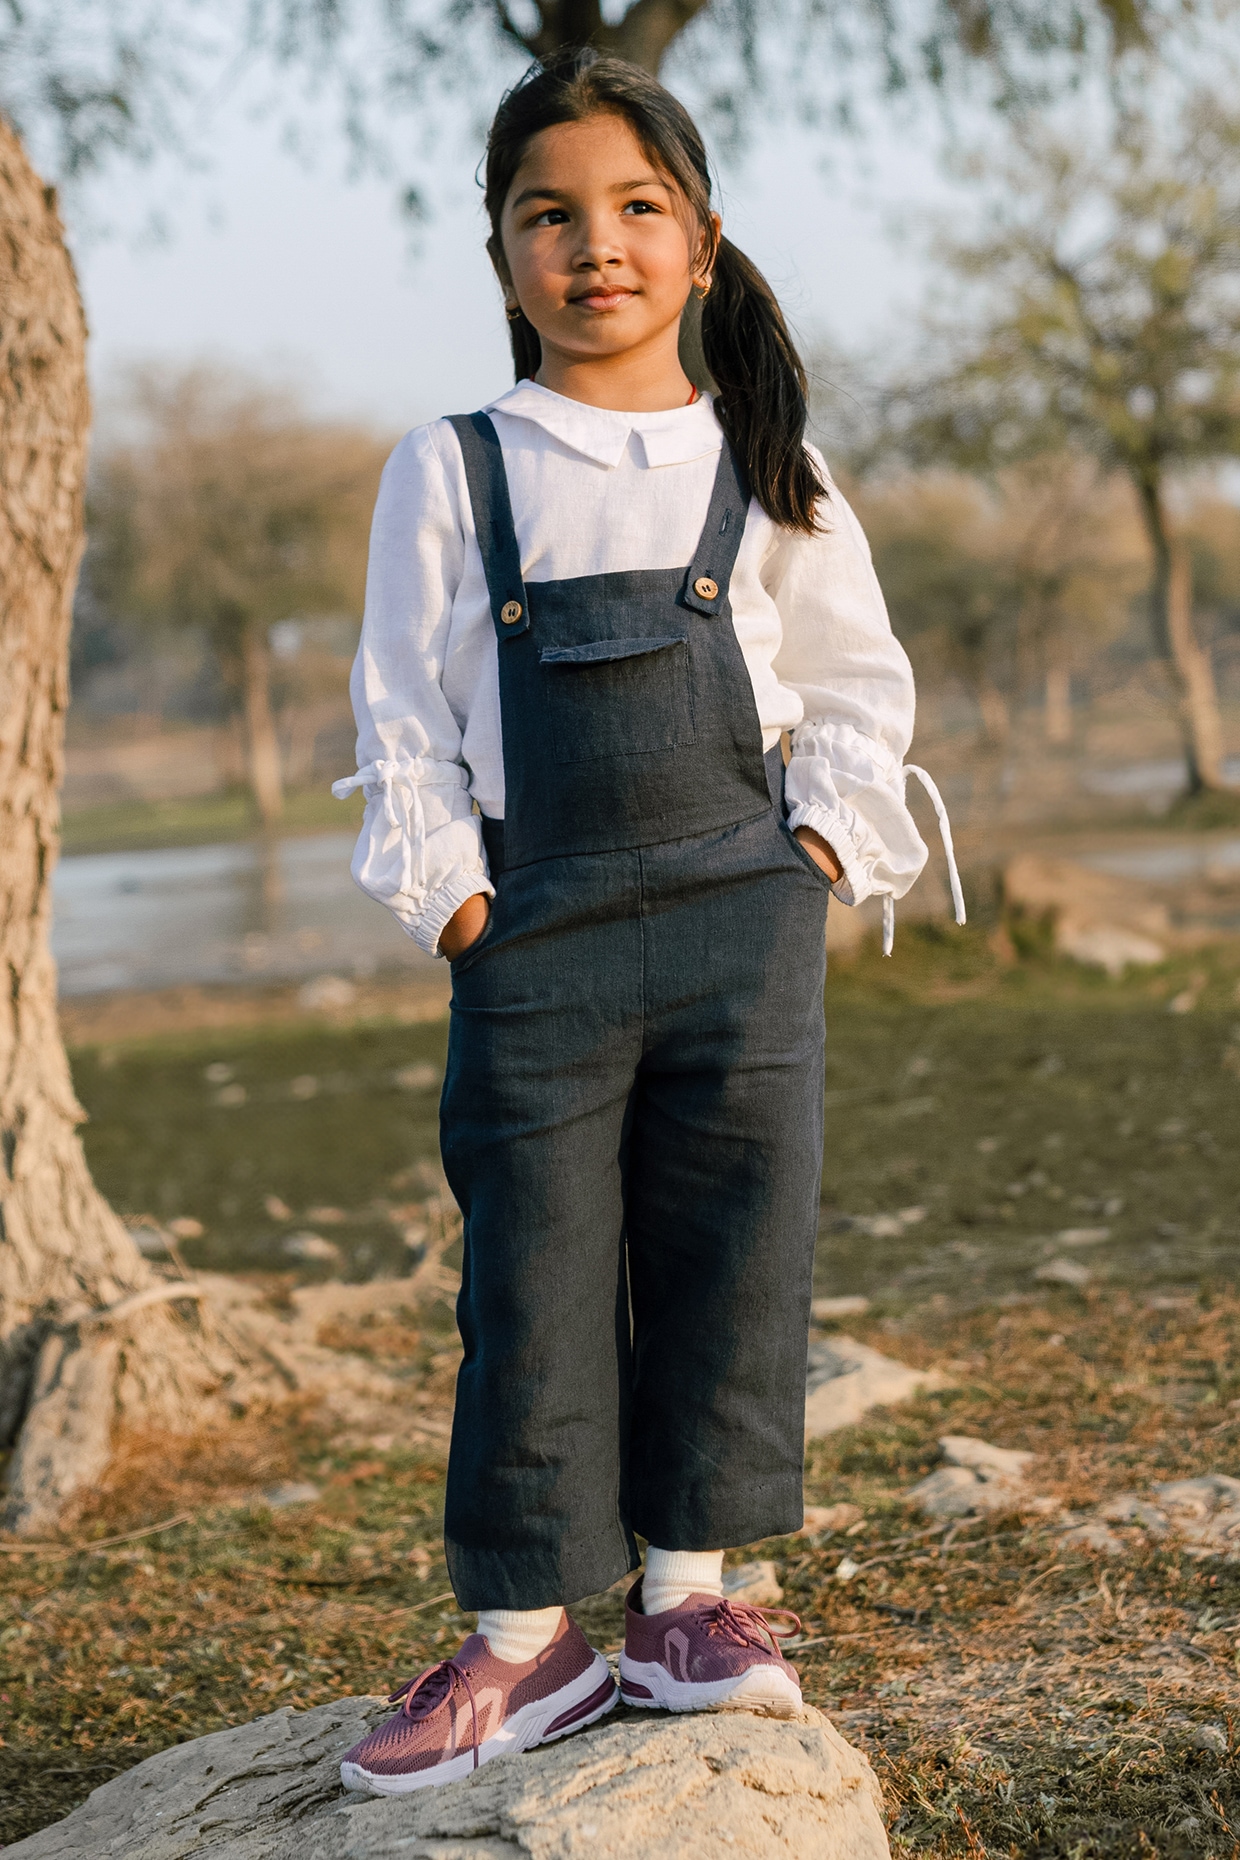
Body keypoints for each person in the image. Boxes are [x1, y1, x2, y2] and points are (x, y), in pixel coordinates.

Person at [332, 46, 962, 1797]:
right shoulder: (455, 467)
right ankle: (525, 1643)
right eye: (551, 213)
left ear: (695, 244)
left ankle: (691, 1602)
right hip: (529, 931)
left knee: (731, 1248)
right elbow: (398, 708)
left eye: (635, 208)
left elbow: (855, 680)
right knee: (530, 1272)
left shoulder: (764, 457)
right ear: (502, 253)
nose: (594, 244)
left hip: (738, 925)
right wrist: (455, 897)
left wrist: (820, 857)